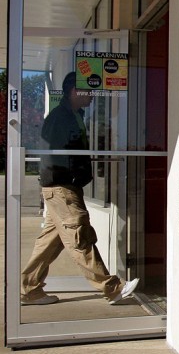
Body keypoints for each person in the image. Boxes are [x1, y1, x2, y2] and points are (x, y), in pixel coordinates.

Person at [20, 72, 139, 305]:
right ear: (75, 91)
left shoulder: (73, 115)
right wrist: (74, 177)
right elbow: (56, 155)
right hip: (62, 188)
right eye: (89, 91)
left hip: (61, 188)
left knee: (50, 243)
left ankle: (29, 289)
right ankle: (112, 288)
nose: (93, 96)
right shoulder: (60, 118)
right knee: (80, 237)